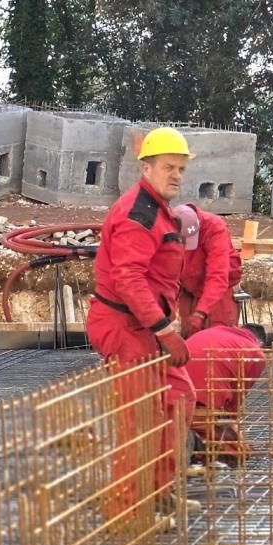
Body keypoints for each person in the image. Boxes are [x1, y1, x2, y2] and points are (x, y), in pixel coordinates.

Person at [87, 127, 197, 501]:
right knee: (139, 420)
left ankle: (159, 492)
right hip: (125, 326)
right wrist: (166, 330)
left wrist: (163, 325)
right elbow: (128, 279)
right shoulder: (139, 215)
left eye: (181, 169)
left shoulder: (161, 212)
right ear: (146, 168)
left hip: (146, 326)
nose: (176, 175)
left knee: (178, 397)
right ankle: (129, 509)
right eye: (168, 167)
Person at [185, 323, 266, 464]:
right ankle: (193, 440)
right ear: (260, 343)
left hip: (170, 396)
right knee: (238, 454)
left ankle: (192, 435)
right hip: (200, 405)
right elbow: (237, 396)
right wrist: (231, 427)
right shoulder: (256, 353)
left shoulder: (214, 331)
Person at [172, 202, 242, 335]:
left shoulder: (214, 227)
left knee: (217, 338)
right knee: (189, 337)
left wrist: (200, 312)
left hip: (218, 294)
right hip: (189, 289)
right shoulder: (166, 226)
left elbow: (218, 276)